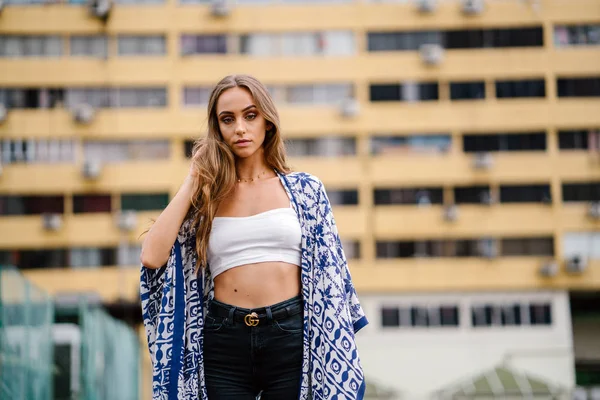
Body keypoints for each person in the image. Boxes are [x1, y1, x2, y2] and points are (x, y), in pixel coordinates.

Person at [140, 74, 368, 400]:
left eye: (250, 115)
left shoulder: (305, 191)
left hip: (289, 334)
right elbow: (152, 256)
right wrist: (194, 177)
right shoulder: (206, 199)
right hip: (224, 339)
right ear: (217, 129)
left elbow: (331, 279)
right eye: (227, 120)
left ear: (268, 122)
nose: (240, 129)